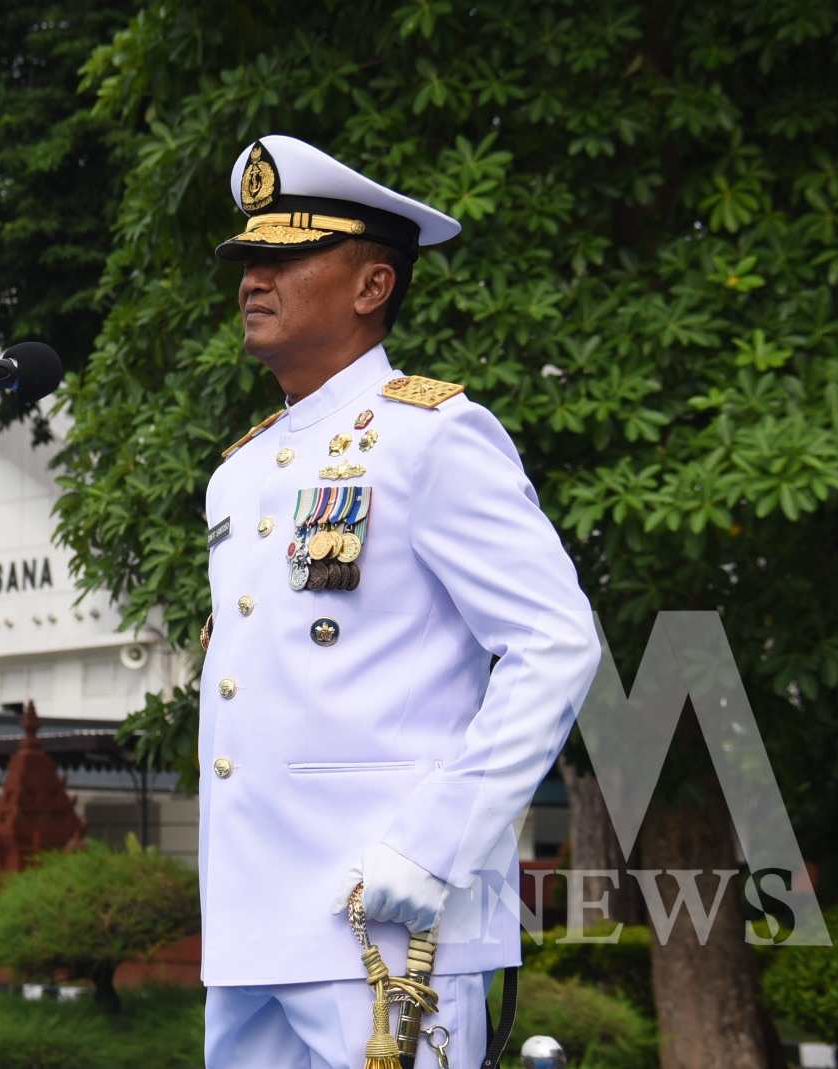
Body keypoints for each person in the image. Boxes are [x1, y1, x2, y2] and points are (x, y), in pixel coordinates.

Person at [198, 133, 600, 1067]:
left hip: (385, 913)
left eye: (286, 257)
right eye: (249, 259)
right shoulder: (239, 473)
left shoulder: (433, 436)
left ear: (372, 285)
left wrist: (437, 844)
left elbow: (555, 642)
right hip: (254, 926)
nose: (254, 278)